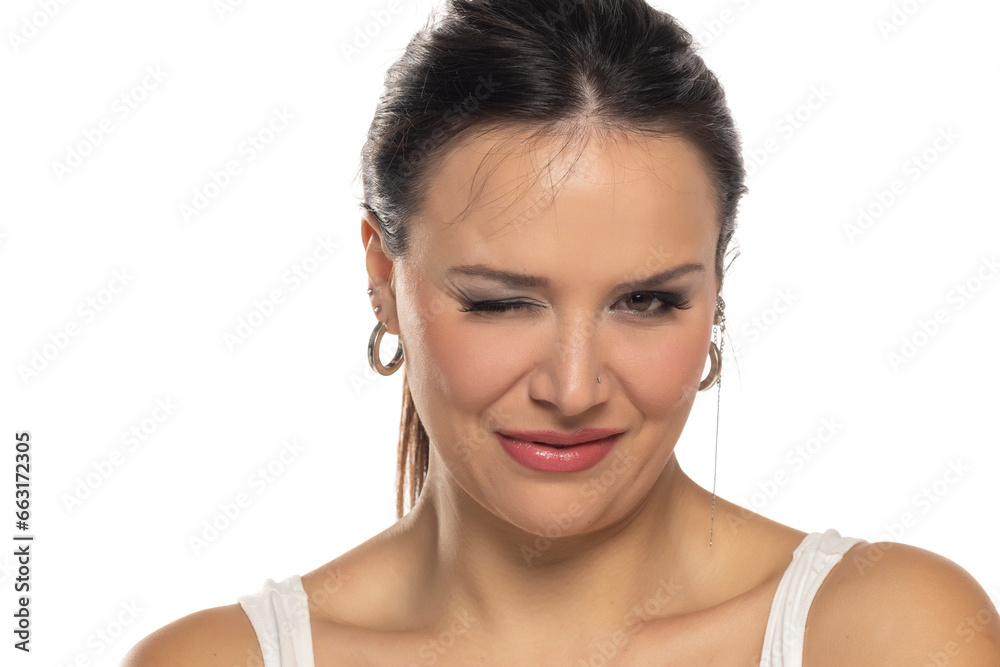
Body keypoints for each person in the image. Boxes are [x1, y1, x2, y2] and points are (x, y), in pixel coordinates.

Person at [123, 0, 1000, 664]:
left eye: (647, 302)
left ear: (716, 293)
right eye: (502, 302)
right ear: (383, 280)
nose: (573, 389)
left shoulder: (889, 633)